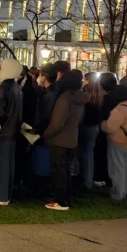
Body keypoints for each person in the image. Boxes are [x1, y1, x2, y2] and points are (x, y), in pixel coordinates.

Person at [40, 69, 87, 210]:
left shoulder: (65, 98)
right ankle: (66, 199)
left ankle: (60, 201)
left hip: (59, 139)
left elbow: (57, 122)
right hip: (72, 138)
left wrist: (46, 134)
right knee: (66, 171)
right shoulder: (80, 97)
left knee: (58, 171)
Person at [0, 59, 23, 206]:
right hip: (12, 130)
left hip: (3, 130)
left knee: (2, 163)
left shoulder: (4, 88)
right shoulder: (16, 87)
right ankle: (4, 193)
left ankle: (2, 196)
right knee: (8, 163)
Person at [101, 84, 127, 202]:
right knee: (125, 167)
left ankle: (118, 194)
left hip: (118, 141)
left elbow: (110, 127)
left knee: (117, 168)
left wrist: (102, 123)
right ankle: (123, 192)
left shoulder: (120, 109)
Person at [79, 75, 102, 191]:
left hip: (86, 126)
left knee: (86, 153)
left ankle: (86, 180)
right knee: (89, 153)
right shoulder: (98, 96)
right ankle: (88, 179)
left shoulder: (86, 96)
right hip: (95, 126)